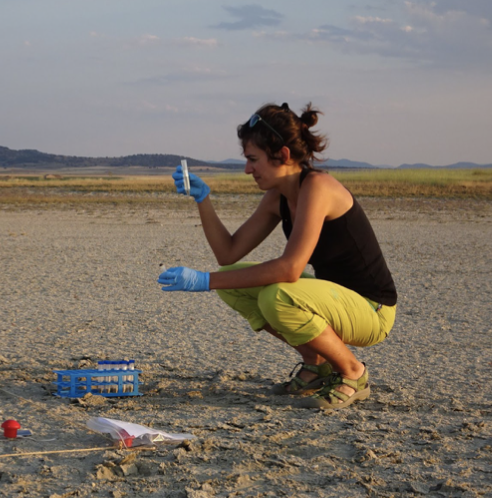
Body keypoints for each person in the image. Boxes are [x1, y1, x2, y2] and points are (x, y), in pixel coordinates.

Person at [157, 102, 397, 409]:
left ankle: (352, 371)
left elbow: (290, 269)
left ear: (282, 155)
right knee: (234, 286)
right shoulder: (278, 197)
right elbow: (228, 253)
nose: (247, 169)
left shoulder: (318, 187)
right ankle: (317, 364)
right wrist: (203, 199)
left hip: (371, 310)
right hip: (333, 301)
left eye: (253, 160)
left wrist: (205, 281)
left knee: (277, 295)